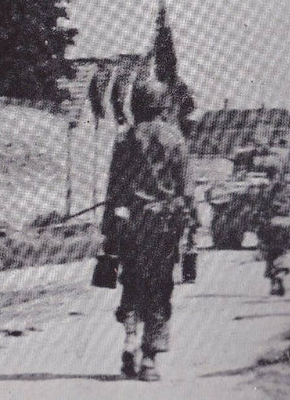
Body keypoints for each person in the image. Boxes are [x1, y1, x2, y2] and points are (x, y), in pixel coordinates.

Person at [100, 79, 190, 382]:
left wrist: (108, 228)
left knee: (131, 281)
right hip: (163, 226)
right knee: (160, 287)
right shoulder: (175, 138)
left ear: (137, 103)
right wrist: (189, 227)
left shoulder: (125, 139)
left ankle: (129, 339)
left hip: (132, 225)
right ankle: (149, 359)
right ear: (163, 104)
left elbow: (114, 188)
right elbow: (186, 189)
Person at [255, 176, 290, 296]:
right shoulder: (285, 200)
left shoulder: (267, 200)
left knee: (270, 260)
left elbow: (260, 216)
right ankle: (278, 281)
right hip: (282, 234)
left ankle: (274, 285)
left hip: (271, 234)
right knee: (279, 258)